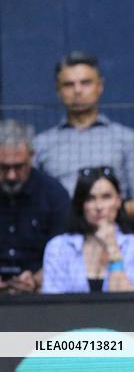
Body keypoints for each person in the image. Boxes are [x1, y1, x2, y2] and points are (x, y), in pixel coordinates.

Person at [34, 52, 134, 224]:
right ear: (58, 90)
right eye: (69, 85)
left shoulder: (126, 139)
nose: (77, 91)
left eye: (85, 83)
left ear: (100, 86)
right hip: (61, 233)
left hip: (114, 234)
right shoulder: (40, 144)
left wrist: (102, 211)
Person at [42, 167, 134, 294]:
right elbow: (53, 303)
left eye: (106, 197)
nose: (99, 206)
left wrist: (113, 248)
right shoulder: (59, 247)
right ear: (81, 205)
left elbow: (129, 303)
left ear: (118, 200)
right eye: (90, 198)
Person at [0, 120, 70, 295]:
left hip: (40, 294)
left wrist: (37, 279)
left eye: (18, 167)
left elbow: (66, 254)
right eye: (3, 167)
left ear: (31, 157)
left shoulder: (54, 194)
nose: (11, 176)